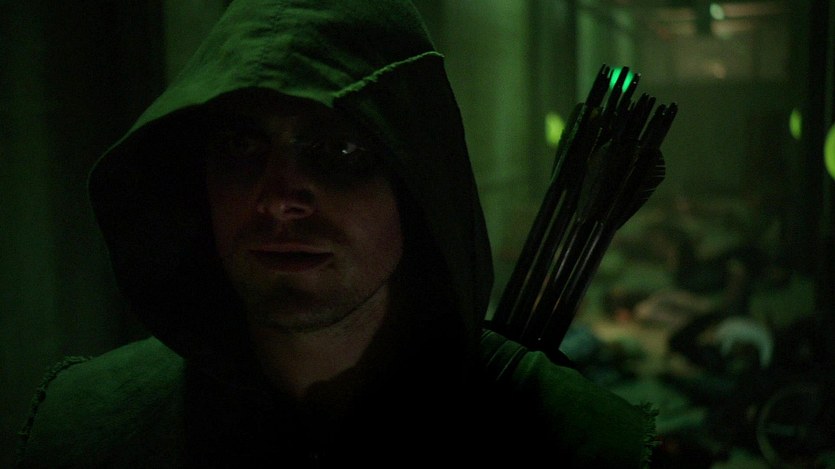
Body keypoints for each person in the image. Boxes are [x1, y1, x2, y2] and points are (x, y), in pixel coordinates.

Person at [16, 1, 658, 467]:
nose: (278, 199)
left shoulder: (574, 444)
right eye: (241, 148)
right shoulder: (90, 427)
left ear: (418, 187)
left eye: (340, 153)